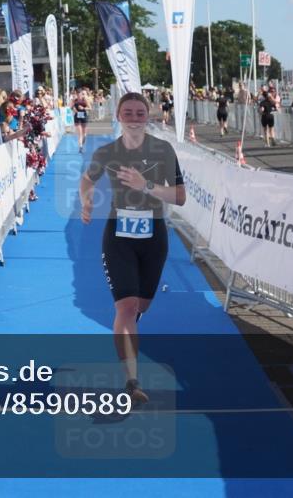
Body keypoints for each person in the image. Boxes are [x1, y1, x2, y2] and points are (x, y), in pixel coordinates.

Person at [79, 93, 186, 405]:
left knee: (141, 306)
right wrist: (86, 199)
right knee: (125, 307)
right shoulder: (107, 152)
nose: (135, 118)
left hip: (154, 236)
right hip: (118, 237)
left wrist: (146, 186)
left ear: (148, 116)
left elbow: (180, 197)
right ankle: (132, 380)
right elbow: (86, 181)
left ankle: (127, 336)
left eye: (140, 113)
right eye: (129, 113)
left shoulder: (163, 150)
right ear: (118, 115)